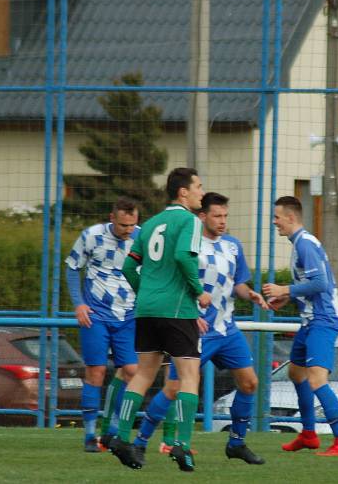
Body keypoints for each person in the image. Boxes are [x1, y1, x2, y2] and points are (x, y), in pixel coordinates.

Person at [132, 192, 268, 465]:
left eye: (225, 216)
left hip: (226, 329)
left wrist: (249, 293)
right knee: (173, 388)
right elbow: (176, 282)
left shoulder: (232, 246)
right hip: (195, 327)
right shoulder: (191, 243)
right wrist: (190, 313)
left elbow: (236, 283)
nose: (222, 221)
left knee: (250, 382)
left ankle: (237, 443)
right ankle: (139, 443)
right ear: (202, 216)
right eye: (217, 216)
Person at [110, 167, 211, 472]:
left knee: (142, 375)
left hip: (146, 310)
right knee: (189, 377)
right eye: (198, 187)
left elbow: (129, 268)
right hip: (177, 310)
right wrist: (198, 291)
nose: (201, 193)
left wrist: (148, 293)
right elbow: (183, 256)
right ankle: (181, 445)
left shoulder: (151, 223)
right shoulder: (190, 221)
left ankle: (121, 438)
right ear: (183, 192)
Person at [262, 196, 338, 457]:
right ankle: (309, 434)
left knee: (316, 379)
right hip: (310, 321)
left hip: (323, 321)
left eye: (277, 217)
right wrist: (287, 297)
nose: (274, 222)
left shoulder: (305, 245)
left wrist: (284, 288)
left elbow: (321, 283)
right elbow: (311, 284)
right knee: (296, 373)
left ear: (291, 218)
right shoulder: (299, 244)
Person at [65, 197, 140, 453]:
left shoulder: (142, 238)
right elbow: (72, 267)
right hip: (95, 315)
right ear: (112, 218)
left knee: (132, 371)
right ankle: (89, 434)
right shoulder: (91, 236)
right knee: (95, 372)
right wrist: (79, 303)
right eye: (122, 225)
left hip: (128, 316)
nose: (128, 230)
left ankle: (113, 429)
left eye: (132, 224)